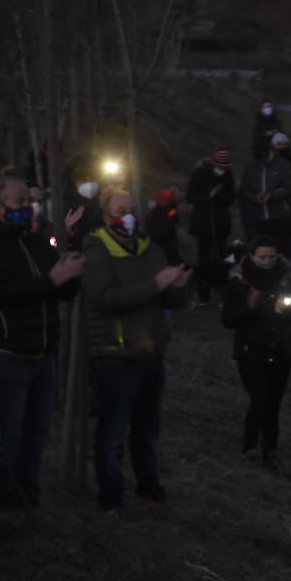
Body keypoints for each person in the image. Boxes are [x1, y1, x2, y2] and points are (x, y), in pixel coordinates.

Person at [0, 176, 83, 509]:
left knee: (36, 431)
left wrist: (69, 277)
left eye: (29, 202)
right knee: (9, 430)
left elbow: (55, 290)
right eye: (19, 203)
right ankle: (2, 498)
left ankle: (27, 492)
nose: (27, 208)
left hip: (43, 350)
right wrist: (50, 280)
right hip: (8, 350)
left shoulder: (36, 243)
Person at [83, 191, 191, 514]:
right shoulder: (97, 250)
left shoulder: (150, 248)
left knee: (146, 431)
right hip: (115, 354)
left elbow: (168, 299)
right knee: (113, 432)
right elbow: (104, 298)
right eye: (120, 210)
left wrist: (178, 288)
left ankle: (150, 492)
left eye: (132, 210)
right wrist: (155, 285)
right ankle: (111, 498)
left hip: (150, 353)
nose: (127, 216)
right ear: (106, 216)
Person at [221, 236, 291, 470]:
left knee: (274, 403)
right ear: (251, 257)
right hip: (251, 350)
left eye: (271, 257)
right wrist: (250, 305)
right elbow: (228, 319)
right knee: (260, 398)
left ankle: (270, 451)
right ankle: (250, 447)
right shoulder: (239, 283)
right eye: (262, 257)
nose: (267, 262)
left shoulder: (287, 279)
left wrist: (283, 312)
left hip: (279, 349)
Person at [185, 147, 235, 305]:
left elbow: (231, 198)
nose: (222, 170)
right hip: (203, 224)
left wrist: (220, 196)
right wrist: (208, 197)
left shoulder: (228, 175)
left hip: (221, 224)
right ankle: (203, 295)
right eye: (220, 167)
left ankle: (221, 293)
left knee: (221, 258)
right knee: (203, 260)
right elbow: (190, 197)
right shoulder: (200, 174)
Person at [238, 133, 291, 259]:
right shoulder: (251, 167)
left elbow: (289, 187)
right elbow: (244, 189)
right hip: (257, 216)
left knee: (282, 250)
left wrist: (272, 195)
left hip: (279, 215)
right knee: (260, 250)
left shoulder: (282, 165)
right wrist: (255, 197)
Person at [146, 189, 184, 265]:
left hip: (155, 230)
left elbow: (150, 208)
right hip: (165, 230)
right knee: (170, 251)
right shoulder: (171, 202)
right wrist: (171, 217)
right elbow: (173, 213)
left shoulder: (161, 195)